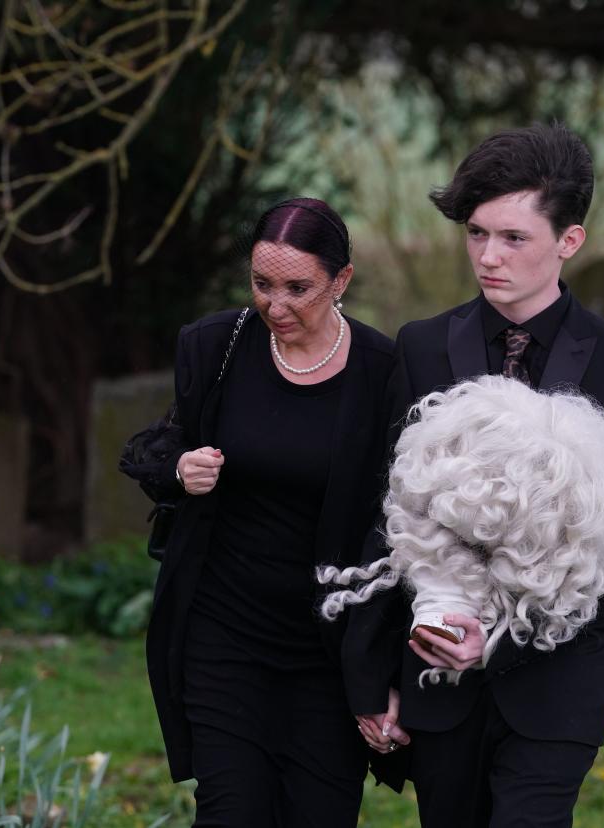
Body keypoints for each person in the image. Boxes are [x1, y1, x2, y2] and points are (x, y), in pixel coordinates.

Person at [342, 123, 604, 827]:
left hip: (558, 675)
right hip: (435, 670)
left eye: (513, 238)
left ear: (569, 241)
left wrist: (495, 641)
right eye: (475, 233)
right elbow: (385, 514)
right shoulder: (423, 348)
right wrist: (370, 679)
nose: (488, 257)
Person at [138, 198, 405, 826]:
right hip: (224, 634)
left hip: (327, 650)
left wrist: (381, 668)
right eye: (261, 283)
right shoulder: (215, 348)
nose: (275, 305)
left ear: (341, 281)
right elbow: (161, 446)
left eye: (297, 287)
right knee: (231, 811)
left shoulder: (383, 370)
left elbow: (395, 525)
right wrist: (181, 469)